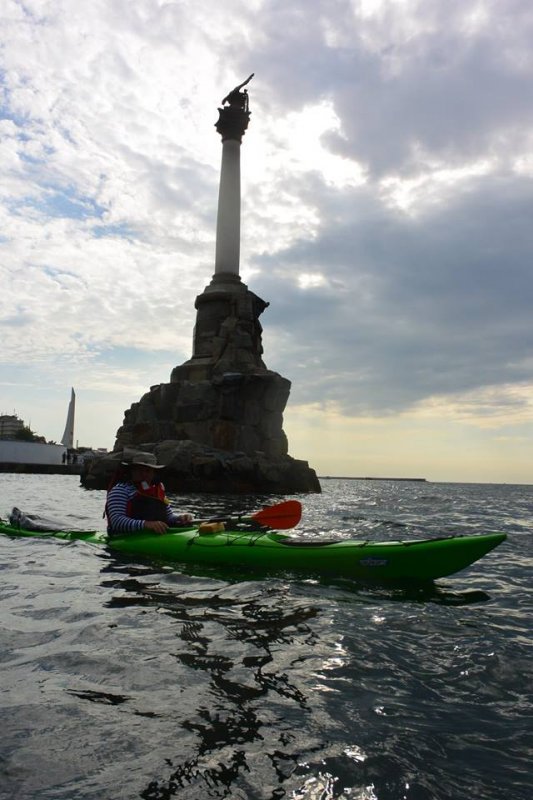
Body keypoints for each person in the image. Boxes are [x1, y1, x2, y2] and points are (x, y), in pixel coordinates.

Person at [105, 450, 193, 535]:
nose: (144, 474)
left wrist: (180, 518)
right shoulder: (120, 490)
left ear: (153, 473)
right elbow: (117, 523)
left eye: (148, 471)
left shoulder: (158, 489)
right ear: (132, 471)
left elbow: (168, 516)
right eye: (139, 470)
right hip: (125, 538)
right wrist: (146, 524)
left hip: (155, 536)